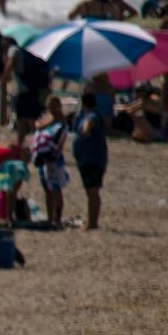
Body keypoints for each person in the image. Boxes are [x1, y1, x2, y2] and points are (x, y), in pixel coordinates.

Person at [28, 96, 70, 229]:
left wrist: (51, 119)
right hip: (42, 156)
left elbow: (60, 132)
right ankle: (50, 217)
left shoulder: (61, 119)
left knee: (55, 188)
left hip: (54, 158)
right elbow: (37, 125)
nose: (52, 107)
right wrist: (50, 119)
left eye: (55, 104)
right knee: (46, 188)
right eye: (50, 104)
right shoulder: (46, 117)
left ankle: (57, 218)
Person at [71, 88, 109, 230]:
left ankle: (93, 223)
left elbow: (89, 124)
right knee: (90, 191)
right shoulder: (84, 115)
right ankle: (91, 221)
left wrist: (85, 130)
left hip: (92, 160)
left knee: (93, 192)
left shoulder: (91, 116)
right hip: (86, 160)